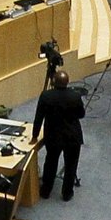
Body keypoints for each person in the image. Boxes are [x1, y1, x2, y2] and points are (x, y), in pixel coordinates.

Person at [32, 67, 86, 201]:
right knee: (71, 165)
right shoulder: (75, 96)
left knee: (50, 162)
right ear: (67, 82)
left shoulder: (46, 96)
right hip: (72, 136)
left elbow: (38, 118)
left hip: (53, 136)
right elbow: (81, 114)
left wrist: (34, 136)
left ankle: (46, 191)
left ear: (53, 82)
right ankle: (67, 193)